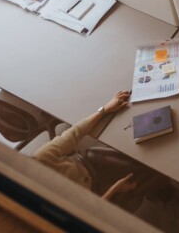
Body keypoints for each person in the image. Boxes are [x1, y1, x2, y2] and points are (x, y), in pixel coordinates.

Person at [32, 89, 165, 211]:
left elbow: (74, 133)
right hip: (95, 197)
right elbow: (85, 213)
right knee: (147, 175)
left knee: (141, 159)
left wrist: (105, 109)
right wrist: (115, 189)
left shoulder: (40, 158)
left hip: (88, 163)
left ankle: (158, 188)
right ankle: (161, 191)